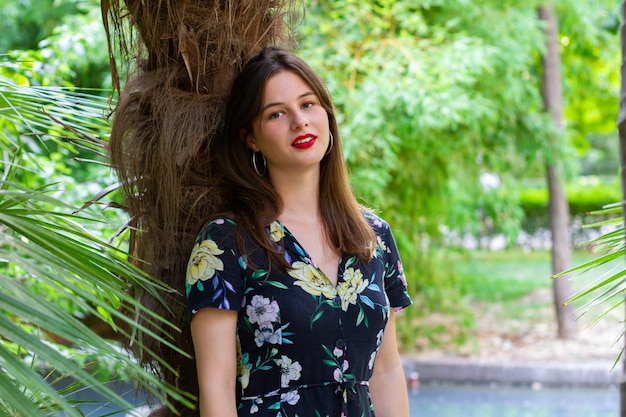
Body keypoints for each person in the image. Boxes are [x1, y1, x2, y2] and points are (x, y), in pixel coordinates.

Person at [185, 46, 412, 417]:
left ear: (327, 115)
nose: (299, 121)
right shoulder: (225, 243)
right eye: (277, 113)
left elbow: (385, 370)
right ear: (251, 138)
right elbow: (217, 389)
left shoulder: (374, 236)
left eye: (308, 105)